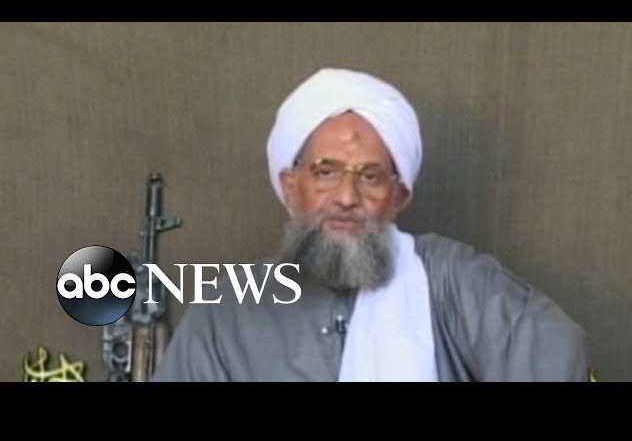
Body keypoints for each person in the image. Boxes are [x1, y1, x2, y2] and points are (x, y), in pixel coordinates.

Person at [151, 67, 589, 382]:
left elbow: (554, 352)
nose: (346, 197)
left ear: (399, 197)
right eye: (326, 171)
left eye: (371, 176)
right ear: (291, 185)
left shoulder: (449, 281)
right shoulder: (228, 313)